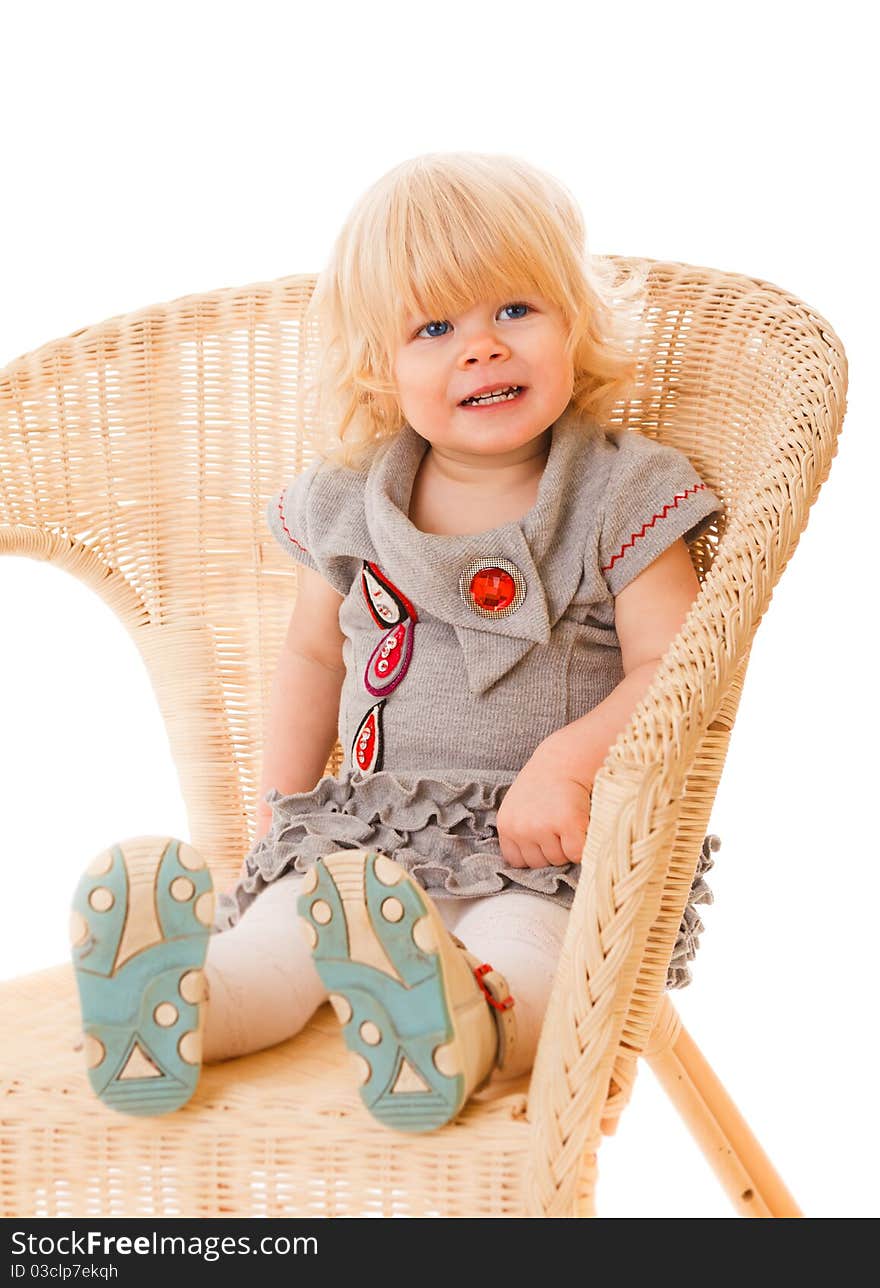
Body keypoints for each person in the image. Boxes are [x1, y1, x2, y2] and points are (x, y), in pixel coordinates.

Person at [69, 152, 723, 1133]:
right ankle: (179, 1009)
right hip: (368, 839)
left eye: (515, 310)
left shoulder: (621, 492)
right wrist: (279, 813)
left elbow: (674, 669)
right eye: (434, 328)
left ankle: (460, 1025)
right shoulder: (348, 502)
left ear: (574, 320)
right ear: (380, 367)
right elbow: (311, 657)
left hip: (539, 843)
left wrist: (570, 762)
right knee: (281, 942)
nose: (481, 349)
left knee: (532, 953)